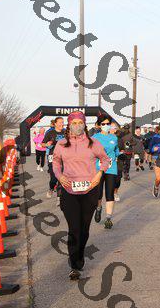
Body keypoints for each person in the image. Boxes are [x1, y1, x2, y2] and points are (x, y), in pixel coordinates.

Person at [52, 112, 109, 280]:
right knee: (74, 228)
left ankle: (79, 255)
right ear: (69, 125)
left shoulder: (93, 143)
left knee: (84, 230)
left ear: (84, 124)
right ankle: (74, 265)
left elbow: (105, 160)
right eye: (74, 123)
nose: (77, 125)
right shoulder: (61, 144)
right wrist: (59, 176)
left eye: (80, 122)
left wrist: (99, 174)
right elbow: (56, 162)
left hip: (89, 191)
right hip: (69, 190)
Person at [91, 117, 120, 229]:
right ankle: (98, 208)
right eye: (103, 124)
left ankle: (108, 218)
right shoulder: (94, 138)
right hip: (98, 168)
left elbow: (116, 151)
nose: (106, 126)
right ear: (99, 125)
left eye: (108, 124)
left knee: (110, 193)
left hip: (111, 168)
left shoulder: (114, 137)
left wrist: (119, 154)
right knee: (98, 193)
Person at [43, 117, 66, 201]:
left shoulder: (66, 132)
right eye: (60, 122)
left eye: (63, 122)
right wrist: (47, 144)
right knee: (53, 177)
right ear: (55, 123)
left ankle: (59, 198)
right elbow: (42, 144)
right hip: (52, 156)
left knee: (61, 177)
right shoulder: (50, 133)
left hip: (63, 157)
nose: (62, 124)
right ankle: (51, 188)